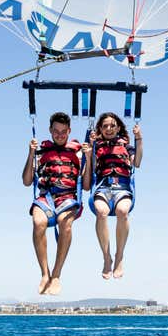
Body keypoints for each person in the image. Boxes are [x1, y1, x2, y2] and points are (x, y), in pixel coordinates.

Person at [22, 112, 91, 295]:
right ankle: (45, 274)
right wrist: (30, 153)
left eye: (63, 132)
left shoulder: (78, 152)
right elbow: (27, 181)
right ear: (50, 131)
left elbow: (85, 187)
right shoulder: (41, 151)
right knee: (38, 223)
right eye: (56, 131)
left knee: (65, 225)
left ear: (69, 131)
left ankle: (56, 274)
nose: (59, 135)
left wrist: (89, 158)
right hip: (46, 197)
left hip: (67, 198)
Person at [87, 112, 143, 280]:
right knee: (101, 211)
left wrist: (139, 139)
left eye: (112, 125)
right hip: (103, 186)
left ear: (118, 128)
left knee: (123, 211)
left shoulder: (126, 146)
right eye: (105, 126)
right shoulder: (96, 146)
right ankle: (106, 257)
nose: (109, 129)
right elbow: (91, 168)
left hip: (122, 186)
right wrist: (90, 148)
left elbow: (137, 163)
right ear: (100, 129)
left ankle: (119, 257)